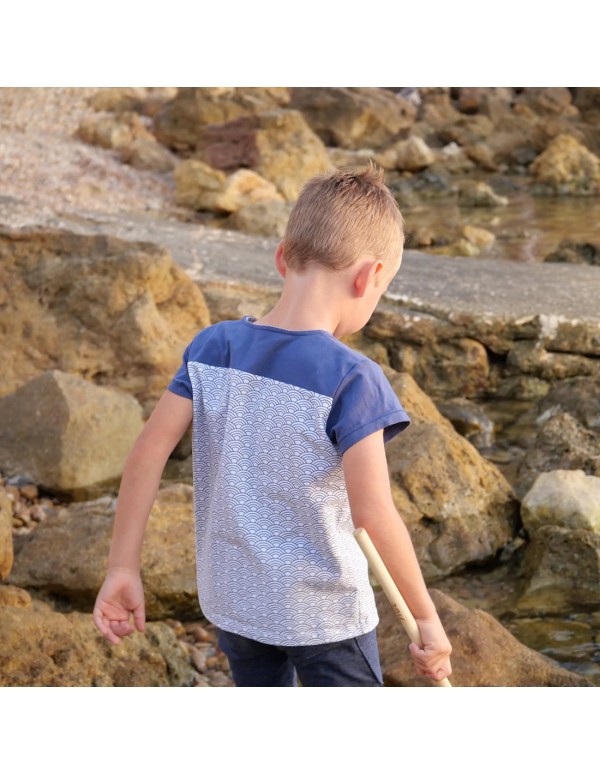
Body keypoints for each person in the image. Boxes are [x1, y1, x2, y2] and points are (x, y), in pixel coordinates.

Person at [93, 163, 453, 687]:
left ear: (283, 258)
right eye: (383, 291)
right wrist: (424, 617)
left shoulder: (214, 348)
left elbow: (147, 454)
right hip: (323, 615)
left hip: (236, 602)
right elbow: (372, 512)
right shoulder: (353, 379)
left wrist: (122, 568)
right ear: (368, 277)